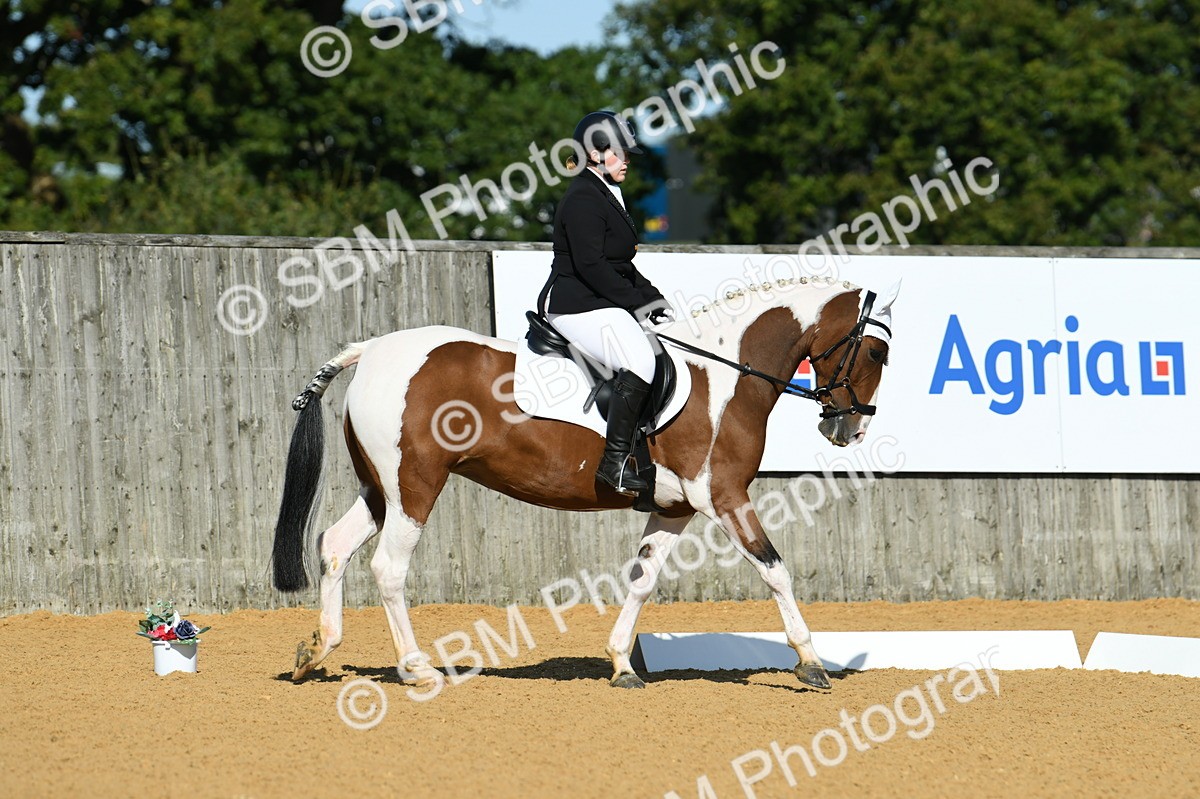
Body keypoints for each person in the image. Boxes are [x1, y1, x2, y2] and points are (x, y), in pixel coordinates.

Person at [535, 111, 674, 496]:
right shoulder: (582, 198)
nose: (627, 159)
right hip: (575, 305)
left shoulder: (605, 192)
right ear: (595, 154)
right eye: (620, 153)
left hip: (597, 301)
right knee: (640, 360)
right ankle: (613, 464)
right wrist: (636, 303)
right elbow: (592, 266)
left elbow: (621, 264)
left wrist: (653, 298)